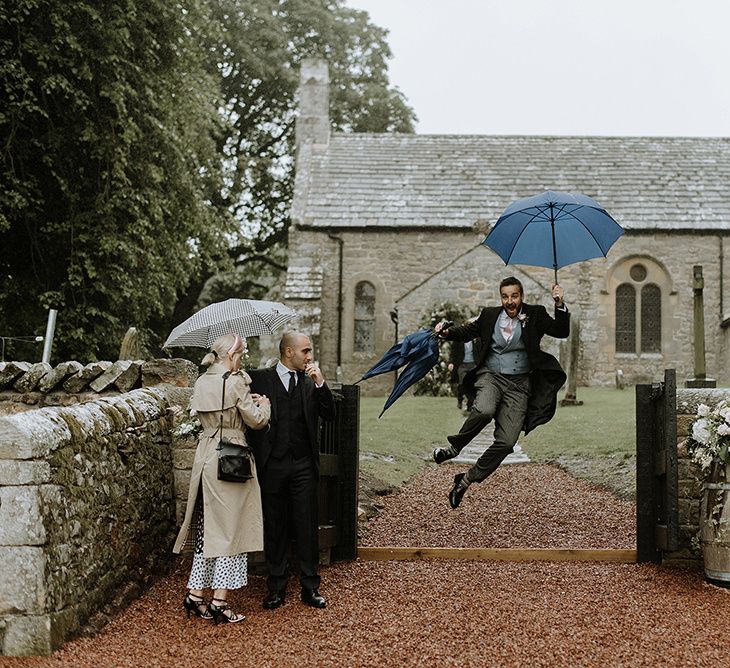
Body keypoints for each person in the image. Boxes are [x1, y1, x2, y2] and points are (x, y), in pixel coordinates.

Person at [433, 277, 569, 509]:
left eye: (514, 296)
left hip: (519, 385)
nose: (509, 301)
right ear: (501, 297)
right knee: (484, 410)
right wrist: (445, 333)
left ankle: (464, 481)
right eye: (505, 296)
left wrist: (559, 304)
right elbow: (466, 332)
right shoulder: (489, 315)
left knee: (507, 443)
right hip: (491, 377)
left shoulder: (535, 314)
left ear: (521, 296)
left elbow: (561, 331)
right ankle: (454, 448)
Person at [173, 333, 271, 624]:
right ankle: (219, 601)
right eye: (241, 353)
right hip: (231, 456)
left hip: (205, 454)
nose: (242, 357)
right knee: (230, 529)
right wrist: (263, 404)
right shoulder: (237, 380)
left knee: (209, 529)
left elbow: (204, 411)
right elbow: (256, 420)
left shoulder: (202, 381)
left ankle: (194, 595)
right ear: (231, 354)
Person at [247, 332, 336, 610]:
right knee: (275, 526)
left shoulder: (311, 382)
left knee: (306, 525)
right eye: (305, 351)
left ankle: (310, 588)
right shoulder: (260, 378)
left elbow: (330, 415)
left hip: (302, 466)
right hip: (272, 464)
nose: (309, 357)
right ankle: (276, 588)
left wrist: (321, 384)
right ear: (288, 352)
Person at [448, 334, 480, 412]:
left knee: (472, 385)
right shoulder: (458, 340)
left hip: (473, 365)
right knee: (462, 383)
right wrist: (451, 363)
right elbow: (453, 352)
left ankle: (470, 404)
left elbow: (481, 351)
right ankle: (460, 399)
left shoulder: (477, 340)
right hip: (462, 365)